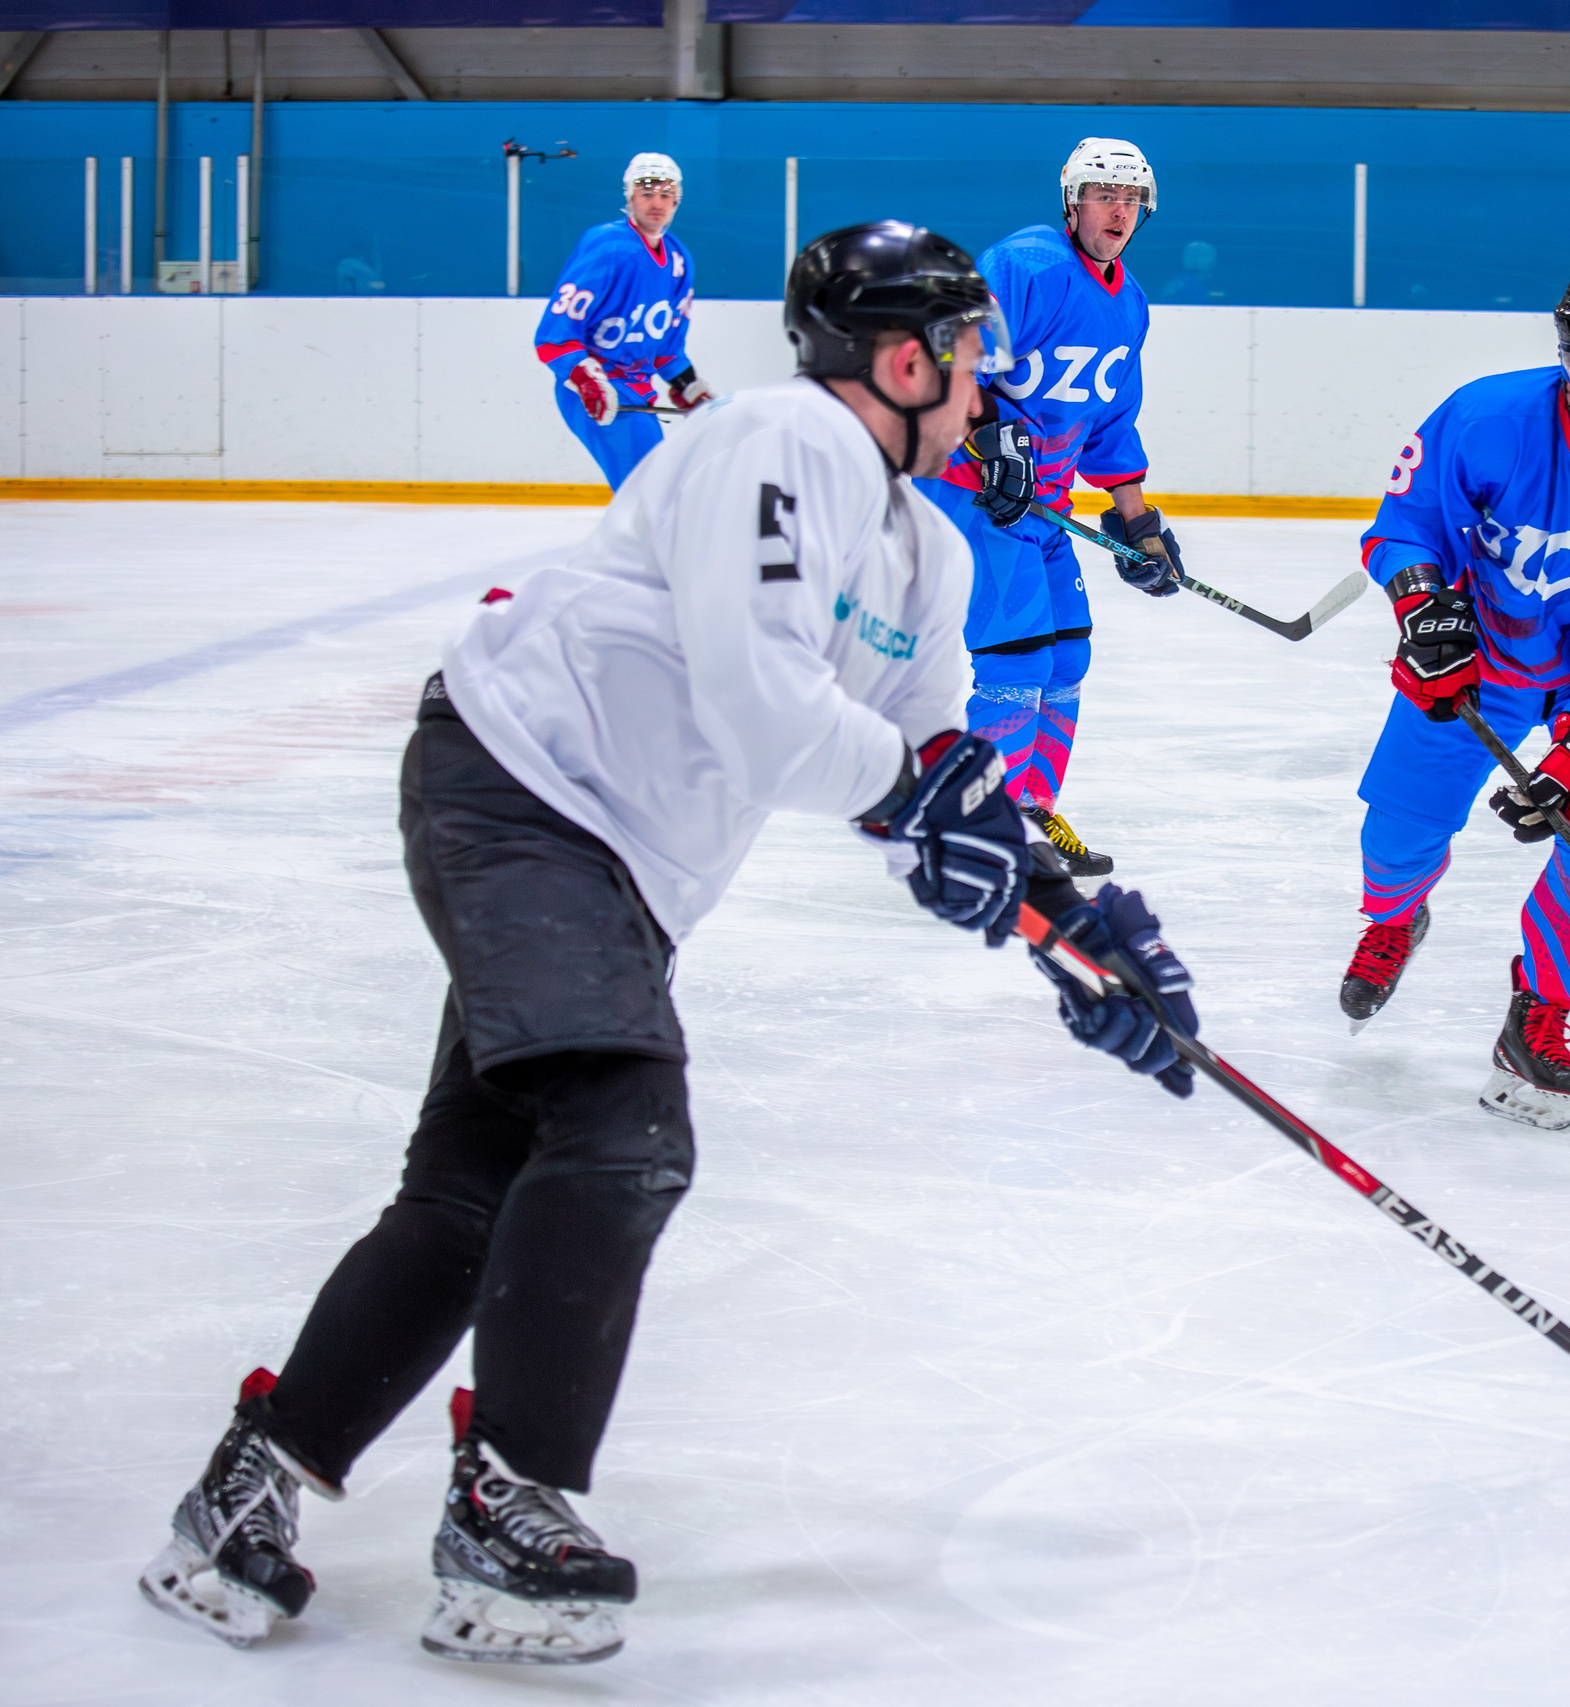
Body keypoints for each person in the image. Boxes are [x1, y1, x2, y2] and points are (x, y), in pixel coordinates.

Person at [136, 221, 1200, 1668]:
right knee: (623, 1127)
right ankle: (511, 1496)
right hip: (519, 784)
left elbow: (936, 776)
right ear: (902, 359)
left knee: (472, 1190)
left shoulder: (927, 557)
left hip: (613, 862)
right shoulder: (780, 442)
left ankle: (242, 1489)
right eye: (967, 362)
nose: (981, 391)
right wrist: (922, 799)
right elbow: (772, 706)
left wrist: (1071, 923)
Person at [1336, 269, 1570, 1133]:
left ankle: (1537, 1016)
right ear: (1566, 356)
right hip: (1488, 649)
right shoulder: (1485, 417)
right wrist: (1420, 596)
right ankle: (1396, 918)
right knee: (1397, 825)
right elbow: (1403, 525)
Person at [918, 136, 1183, 878]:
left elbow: (1109, 423)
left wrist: (1137, 522)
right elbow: (951, 352)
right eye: (1105, 195)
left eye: (1131, 199)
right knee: (1016, 661)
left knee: (1068, 656)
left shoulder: (1128, 304)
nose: (1119, 210)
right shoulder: (1027, 265)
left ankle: (1028, 813)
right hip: (971, 490)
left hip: (1045, 502)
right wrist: (984, 433)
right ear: (1073, 203)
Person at [533, 151, 715, 491]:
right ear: (630, 197)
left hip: (636, 392)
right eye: (646, 194)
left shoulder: (679, 259)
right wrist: (587, 378)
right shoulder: (608, 245)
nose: (656, 203)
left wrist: (686, 384)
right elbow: (554, 337)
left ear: (677, 201)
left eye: (666, 195)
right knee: (650, 491)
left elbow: (666, 348)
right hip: (595, 388)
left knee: (651, 491)